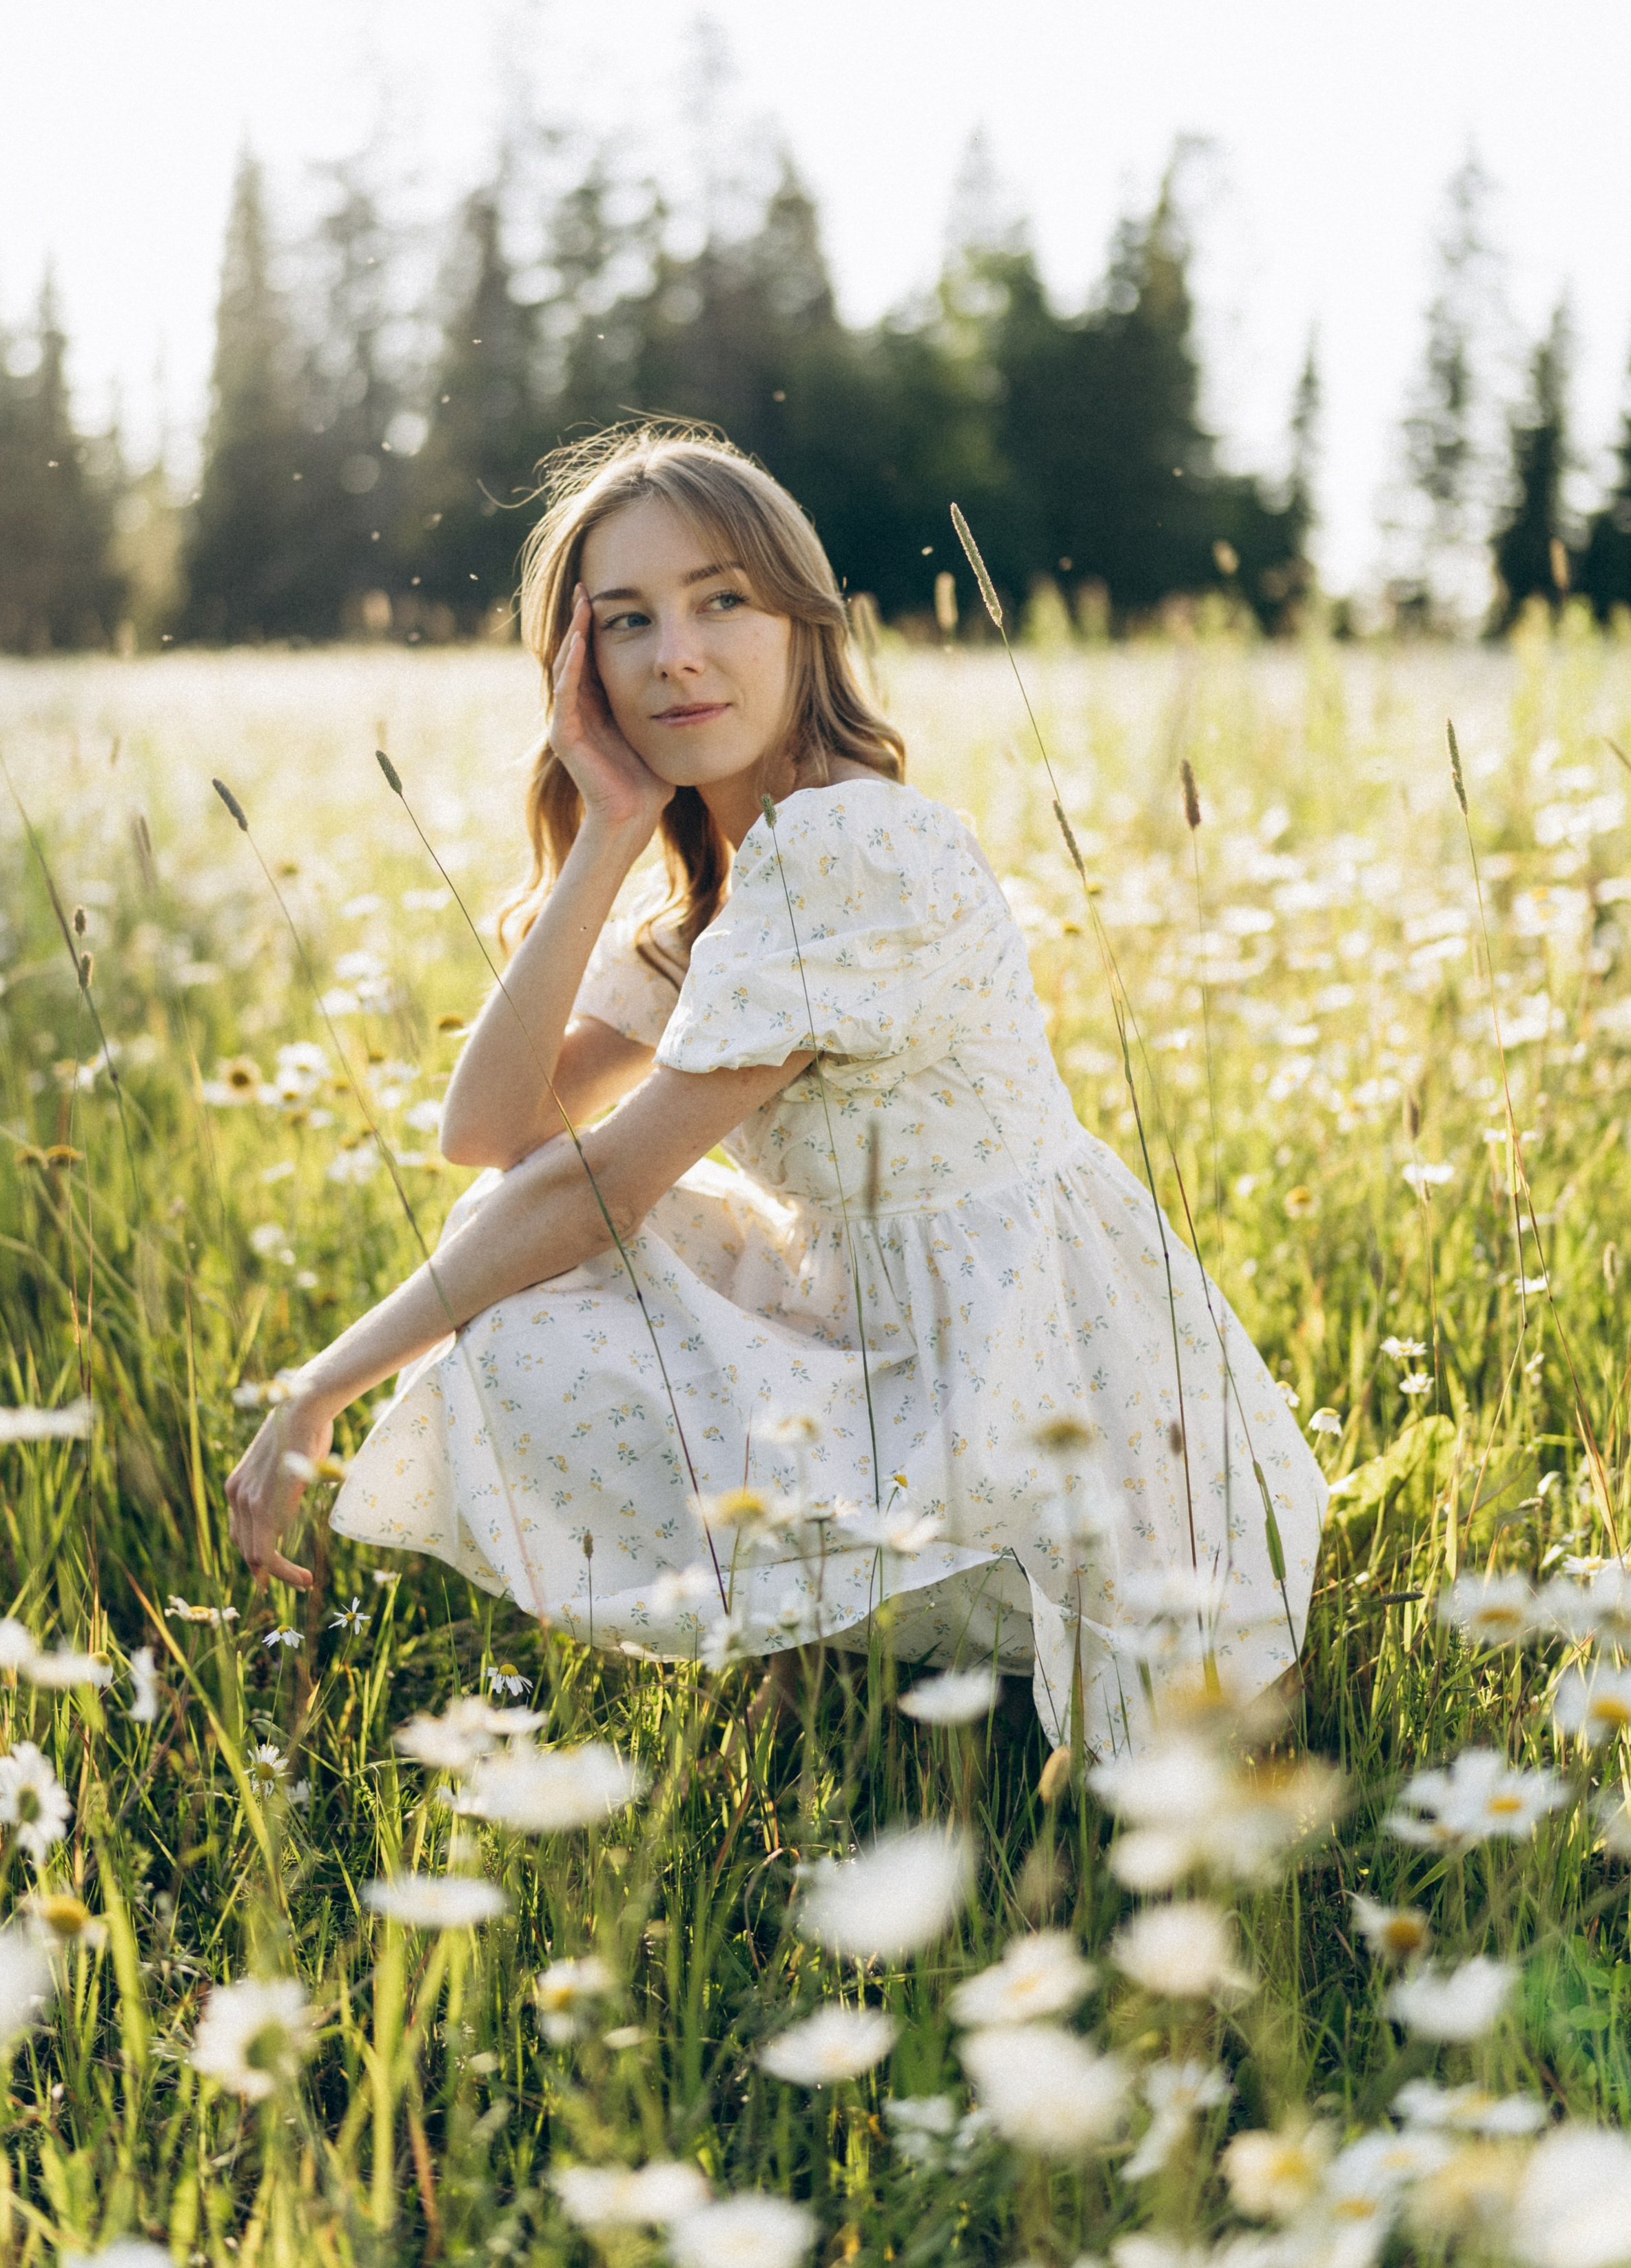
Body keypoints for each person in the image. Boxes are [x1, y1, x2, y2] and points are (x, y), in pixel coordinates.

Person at [225, 426, 1326, 1749]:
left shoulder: (849, 849)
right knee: (508, 1228)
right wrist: (612, 829)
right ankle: (853, 1641)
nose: (675, 653)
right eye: (625, 622)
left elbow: (599, 1184)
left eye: (721, 600)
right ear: (583, 676)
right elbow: (492, 1129)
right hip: (895, 1329)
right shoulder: (736, 883)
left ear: (805, 623)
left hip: (1030, 1375)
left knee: (531, 1261)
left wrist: (322, 1386)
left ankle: (924, 1638)